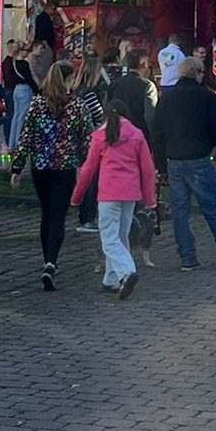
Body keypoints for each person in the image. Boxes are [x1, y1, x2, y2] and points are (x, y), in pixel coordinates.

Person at [154, 58, 216, 271]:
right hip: (197, 158)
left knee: (180, 212)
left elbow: (158, 133)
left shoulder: (166, 99)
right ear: (197, 73)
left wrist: (161, 165)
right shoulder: (205, 97)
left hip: (174, 161)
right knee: (213, 207)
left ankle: (187, 258)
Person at [10, 62, 95, 290]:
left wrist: (16, 169)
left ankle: (46, 258)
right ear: (69, 79)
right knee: (59, 215)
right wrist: (89, 165)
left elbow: (25, 137)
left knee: (46, 213)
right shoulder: (77, 106)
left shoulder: (37, 104)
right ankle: (51, 262)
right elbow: (87, 139)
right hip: (65, 167)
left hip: (40, 167)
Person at [71, 99, 156, 300]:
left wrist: (77, 197)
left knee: (109, 239)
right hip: (131, 194)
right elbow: (147, 169)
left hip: (109, 194)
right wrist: (150, 199)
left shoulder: (101, 135)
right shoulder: (137, 134)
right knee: (121, 236)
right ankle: (111, 279)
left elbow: (88, 170)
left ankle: (127, 272)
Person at [72, 57, 110, 233]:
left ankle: (85, 217)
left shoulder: (77, 91)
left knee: (85, 178)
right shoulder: (89, 94)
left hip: (78, 140)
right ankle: (87, 218)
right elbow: (99, 118)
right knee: (91, 181)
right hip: (90, 142)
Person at [7, 43, 39, 152]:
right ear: (21, 51)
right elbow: (29, 78)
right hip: (25, 90)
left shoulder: (14, 63)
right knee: (22, 117)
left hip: (16, 90)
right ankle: (18, 143)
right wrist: (37, 90)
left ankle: (11, 145)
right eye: (26, 50)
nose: (28, 52)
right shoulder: (24, 64)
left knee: (15, 117)